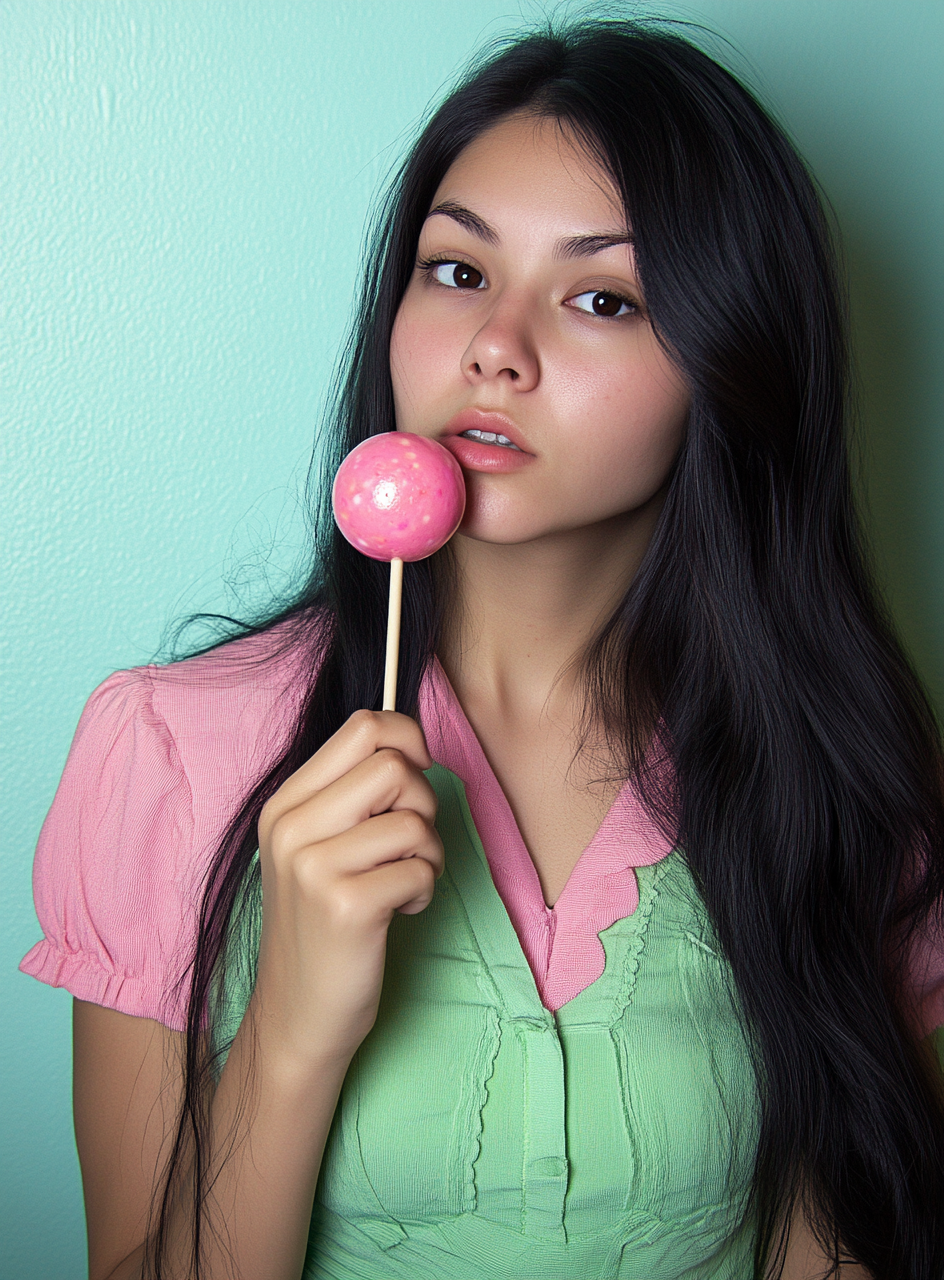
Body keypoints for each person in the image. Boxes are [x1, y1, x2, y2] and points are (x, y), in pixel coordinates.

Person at [19, 17, 944, 1280]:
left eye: (602, 297)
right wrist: (290, 1026)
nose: (492, 347)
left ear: (729, 367)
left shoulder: (836, 772)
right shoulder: (170, 749)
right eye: (456, 271)